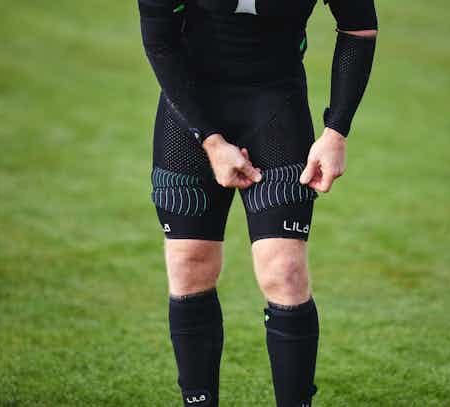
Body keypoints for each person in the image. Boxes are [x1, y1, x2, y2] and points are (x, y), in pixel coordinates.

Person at [137, 0, 377, 405]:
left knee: (285, 271)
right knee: (189, 263)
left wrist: (336, 131)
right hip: (191, 107)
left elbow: (359, 27)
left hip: (276, 105)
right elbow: (160, 42)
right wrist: (211, 141)